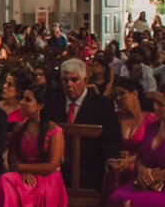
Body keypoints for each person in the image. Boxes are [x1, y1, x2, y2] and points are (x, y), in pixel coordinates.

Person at [47, 59, 122, 190]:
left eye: (74, 79)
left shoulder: (102, 105)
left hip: (90, 169)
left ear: (85, 80)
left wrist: (110, 159)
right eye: (65, 80)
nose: (69, 85)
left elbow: (112, 137)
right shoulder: (53, 102)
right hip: (55, 167)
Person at [99, 78, 157, 207]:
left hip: (142, 164)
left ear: (135, 94)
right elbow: (109, 142)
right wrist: (113, 158)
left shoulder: (151, 119)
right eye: (115, 95)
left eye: (122, 93)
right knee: (114, 168)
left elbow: (153, 150)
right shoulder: (115, 118)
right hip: (119, 163)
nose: (118, 98)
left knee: (131, 169)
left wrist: (131, 160)